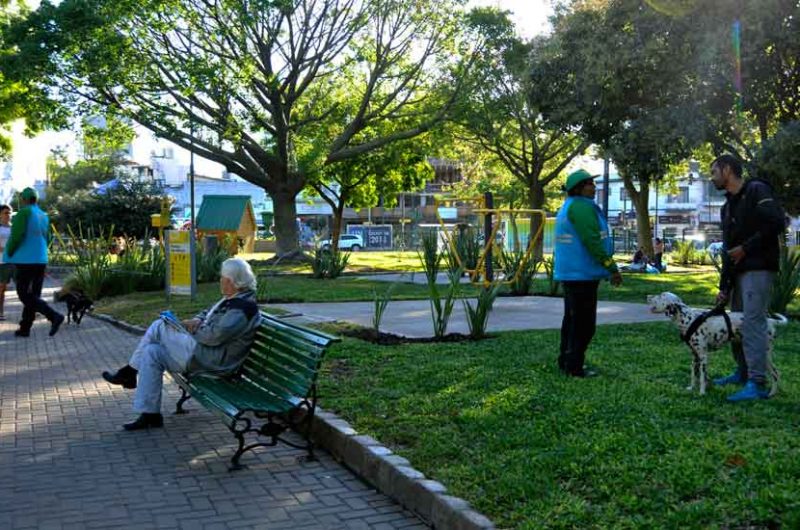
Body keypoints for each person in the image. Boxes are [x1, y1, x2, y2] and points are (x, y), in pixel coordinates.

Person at [102, 257, 261, 430]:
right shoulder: (232, 299)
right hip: (203, 354)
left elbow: (216, 335)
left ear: (232, 281)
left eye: (222, 277)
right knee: (151, 352)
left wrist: (190, 330)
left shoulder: (242, 308)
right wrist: (195, 320)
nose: (220, 281)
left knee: (160, 326)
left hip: (214, 361)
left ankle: (129, 372)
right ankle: (150, 414)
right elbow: (206, 313)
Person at [710, 154, 786, 401]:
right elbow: (727, 250)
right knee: (736, 323)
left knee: (753, 322)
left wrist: (747, 247)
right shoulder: (727, 206)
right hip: (738, 272)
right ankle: (742, 372)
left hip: (759, 267)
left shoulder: (756, 189)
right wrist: (724, 286)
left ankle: (757, 382)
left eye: (714, 172)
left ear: (728, 169)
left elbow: (776, 222)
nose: (712, 178)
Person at [554, 169, 623, 377]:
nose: (594, 187)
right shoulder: (581, 208)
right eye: (590, 184)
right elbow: (592, 241)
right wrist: (611, 268)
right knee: (584, 324)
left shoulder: (569, 206)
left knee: (572, 320)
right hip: (581, 273)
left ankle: (566, 361)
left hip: (573, 273)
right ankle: (574, 367)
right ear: (579, 188)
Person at [2, 188, 64, 337]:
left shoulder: (23, 213)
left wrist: (9, 252)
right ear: (35, 199)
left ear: (23, 199)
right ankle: (25, 328)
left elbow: (16, 236)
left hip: (25, 260)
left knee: (24, 294)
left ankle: (53, 315)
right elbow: (48, 238)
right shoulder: (43, 215)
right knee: (33, 295)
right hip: (40, 259)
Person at [0, 204, 14, 321]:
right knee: (2, 289)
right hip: (2, 262)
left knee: (25, 287)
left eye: (9, 213)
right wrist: (8, 250)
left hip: (15, 262)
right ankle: (1, 312)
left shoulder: (14, 227)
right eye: (5, 212)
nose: (8, 215)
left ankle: (32, 311)